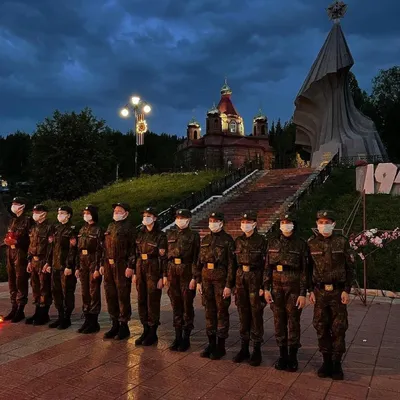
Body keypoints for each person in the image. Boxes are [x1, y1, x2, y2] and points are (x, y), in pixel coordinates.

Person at [308, 210, 355, 380]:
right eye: (320, 222)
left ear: (334, 224)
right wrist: (309, 290)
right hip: (319, 293)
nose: (323, 225)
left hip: (337, 292)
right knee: (321, 326)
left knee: (339, 328)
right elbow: (308, 269)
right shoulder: (311, 243)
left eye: (327, 222)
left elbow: (350, 268)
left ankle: (336, 363)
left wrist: (347, 290)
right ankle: (326, 361)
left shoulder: (342, 242)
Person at [264, 212, 308, 372]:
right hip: (276, 289)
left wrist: (304, 293)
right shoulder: (272, 242)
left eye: (288, 222)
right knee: (278, 321)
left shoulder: (301, 244)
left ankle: (293, 356)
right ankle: (282, 355)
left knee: (293, 321)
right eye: (283, 222)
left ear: (293, 225)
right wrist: (266, 288)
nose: (286, 225)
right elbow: (267, 267)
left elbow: (304, 271)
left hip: (294, 289)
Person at [195, 212, 236, 360]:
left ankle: (221, 345)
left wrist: (228, 285)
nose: (212, 223)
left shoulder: (228, 240)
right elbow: (199, 261)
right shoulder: (205, 239)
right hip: (206, 279)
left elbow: (232, 264)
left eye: (216, 221)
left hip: (220, 279)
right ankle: (211, 343)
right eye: (211, 220)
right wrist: (198, 280)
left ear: (222, 223)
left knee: (221, 312)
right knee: (209, 312)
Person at [233, 211, 267, 367]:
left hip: (256, 278)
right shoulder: (238, 240)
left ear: (254, 223)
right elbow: (234, 263)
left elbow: (267, 265)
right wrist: (233, 283)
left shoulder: (262, 241)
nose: (245, 224)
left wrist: (264, 286)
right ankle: (244, 348)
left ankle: (257, 350)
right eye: (243, 221)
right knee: (243, 313)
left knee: (256, 314)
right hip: (241, 278)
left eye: (248, 221)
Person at [166, 209, 200, 352]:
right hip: (172, 270)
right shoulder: (170, 234)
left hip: (187, 271)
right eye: (178, 217)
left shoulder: (194, 236)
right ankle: (177, 336)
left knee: (187, 305)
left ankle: (186, 337)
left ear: (189, 219)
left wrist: (195, 277)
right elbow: (165, 256)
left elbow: (197, 257)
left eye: (183, 217)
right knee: (176, 304)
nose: (180, 220)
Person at [101, 203, 136, 340]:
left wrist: (130, 266)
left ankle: (123, 325)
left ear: (126, 213)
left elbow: (133, 249)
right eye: (115, 210)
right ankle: (114, 323)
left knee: (122, 295)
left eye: (119, 211)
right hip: (109, 265)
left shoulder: (129, 228)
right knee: (110, 294)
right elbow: (105, 247)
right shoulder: (110, 226)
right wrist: (102, 264)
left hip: (122, 265)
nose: (116, 213)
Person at [134, 207, 167, 346]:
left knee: (152, 300)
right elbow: (135, 253)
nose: (146, 218)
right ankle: (145, 329)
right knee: (141, 299)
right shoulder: (140, 234)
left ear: (155, 218)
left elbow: (163, 257)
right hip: (141, 267)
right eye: (144, 215)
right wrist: (135, 272)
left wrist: (162, 276)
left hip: (153, 269)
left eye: (149, 216)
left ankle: (153, 332)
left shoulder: (160, 236)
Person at [3, 197, 32, 322]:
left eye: (16, 204)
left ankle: (20, 308)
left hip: (21, 253)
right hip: (10, 252)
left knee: (20, 280)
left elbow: (31, 240)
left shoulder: (28, 221)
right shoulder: (12, 221)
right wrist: (6, 241)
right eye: (13, 203)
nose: (13, 206)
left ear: (22, 206)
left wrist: (18, 241)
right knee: (12, 280)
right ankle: (14, 307)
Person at [75, 205, 103, 334]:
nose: (86, 215)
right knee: (85, 292)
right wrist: (77, 267)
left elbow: (101, 250)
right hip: (83, 263)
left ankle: (94, 321)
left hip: (93, 263)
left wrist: (98, 267)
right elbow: (78, 250)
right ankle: (87, 319)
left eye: (88, 213)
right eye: (84, 212)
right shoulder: (82, 229)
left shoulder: (98, 230)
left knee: (93, 292)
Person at [48, 206, 77, 329]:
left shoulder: (72, 230)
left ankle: (66, 318)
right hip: (55, 266)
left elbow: (73, 249)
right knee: (56, 292)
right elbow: (51, 248)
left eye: (62, 213)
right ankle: (60, 316)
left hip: (65, 266)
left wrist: (69, 265)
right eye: (58, 212)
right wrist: (48, 263)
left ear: (69, 215)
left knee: (67, 292)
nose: (59, 215)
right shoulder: (56, 229)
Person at [26, 204, 54, 325]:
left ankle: (44, 313)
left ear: (44, 213)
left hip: (43, 260)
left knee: (44, 287)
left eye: (37, 212)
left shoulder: (50, 228)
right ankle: (37, 311)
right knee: (35, 287)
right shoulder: (33, 228)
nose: (35, 214)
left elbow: (51, 247)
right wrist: (29, 261)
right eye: (34, 211)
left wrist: (48, 262)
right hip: (34, 260)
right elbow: (30, 245)